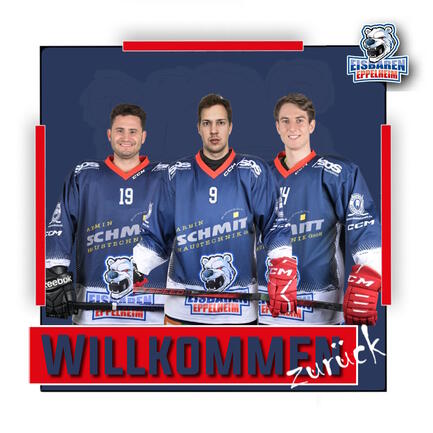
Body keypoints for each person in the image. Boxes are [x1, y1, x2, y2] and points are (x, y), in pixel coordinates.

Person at [133, 93, 297, 325]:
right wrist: (136, 267)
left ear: (230, 127)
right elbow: (156, 235)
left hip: (238, 310)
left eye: (220, 122)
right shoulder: (177, 173)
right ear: (198, 128)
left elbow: (274, 226)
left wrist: (282, 265)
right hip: (183, 309)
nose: (214, 130)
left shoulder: (253, 170)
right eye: (207, 123)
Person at [257, 93, 382, 326]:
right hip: (267, 310)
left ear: (312, 125)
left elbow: (365, 227)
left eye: (300, 120)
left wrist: (369, 273)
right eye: (285, 121)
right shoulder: (259, 176)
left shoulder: (338, 173)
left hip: (321, 312)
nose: (292, 127)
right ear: (277, 127)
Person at [45, 103, 168, 324]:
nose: (126, 137)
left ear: (143, 137)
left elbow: (187, 226)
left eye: (133, 131)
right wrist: (55, 272)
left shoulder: (166, 177)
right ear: (109, 135)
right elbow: (60, 226)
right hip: (93, 307)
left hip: (153, 309)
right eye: (120, 130)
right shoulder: (84, 175)